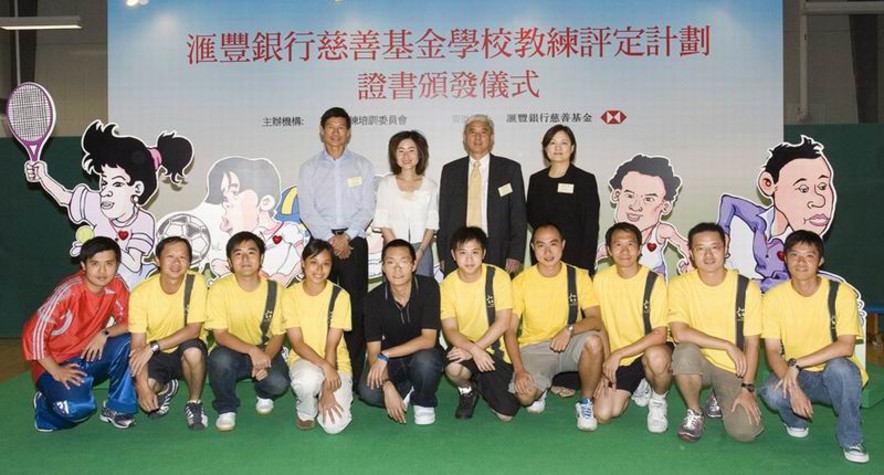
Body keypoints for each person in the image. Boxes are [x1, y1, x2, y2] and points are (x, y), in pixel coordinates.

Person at [24, 120, 193, 289]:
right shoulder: (96, 203)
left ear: (137, 188)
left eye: (117, 184)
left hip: (130, 288)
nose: (106, 191)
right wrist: (42, 177)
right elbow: (64, 198)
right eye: (104, 183)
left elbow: (134, 263)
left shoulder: (143, 220)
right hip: (99, 288)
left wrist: (96, 245)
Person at [759, 230, 869, 464]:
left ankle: (851, 439)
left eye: (809, 256)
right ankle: (796, 421)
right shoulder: (773, 299)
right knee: (771, 392)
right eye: (795, 255)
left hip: (835, 375)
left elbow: (846, 346)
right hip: (799, 376)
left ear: (820, 261)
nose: (801, 262)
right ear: (785, 259)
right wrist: (795, 388)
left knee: (841, 368)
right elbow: (771, 351)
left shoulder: (840, 293)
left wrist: (797, 363)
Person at [23, 237, 137, 431]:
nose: (102, 271)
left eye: (109, 264)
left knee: (128, 341)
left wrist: (105, 332)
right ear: (83, 265)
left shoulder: (116, 284)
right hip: (54, 364)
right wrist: (56, 370)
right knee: (77, 410)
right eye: (95, 264)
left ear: (116, 265)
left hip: (88, 356)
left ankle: (117, 408)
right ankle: (45, 408)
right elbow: (32, 333)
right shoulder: (68, 291)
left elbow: (132, 321)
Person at [298, 107, 375, 384]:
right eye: (330, 127)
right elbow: (307, 210)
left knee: (354, 310)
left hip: (354, 244)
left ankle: (350, 376)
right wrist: (331, 240)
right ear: (321, 130)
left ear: (349, 132)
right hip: (321, 245)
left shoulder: (363, 166)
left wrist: (347, 236)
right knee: (321, 307)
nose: (335, 132)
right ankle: (318, 371)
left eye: (341, 127)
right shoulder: (309, 168)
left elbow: (368, 207)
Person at [669, 223, 763, 442]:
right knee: (683, 353)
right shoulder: (680, 285)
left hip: (733, 368)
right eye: (701, 249)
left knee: (744, 433)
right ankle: (695, 411)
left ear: (725, 248)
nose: (709, 255)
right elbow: (680, 333)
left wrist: (747, 388)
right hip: (699, 360)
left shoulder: (746, 288)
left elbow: (751, 344)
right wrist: (727, 345)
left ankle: (718, 396)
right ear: (691, 253)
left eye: (715, 247)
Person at [506, 224, 606, 431]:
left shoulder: (578, 276)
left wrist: (569, 329)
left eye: (553, 244)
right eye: (541, 245)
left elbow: (596, 320)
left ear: (563, 245)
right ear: (532, 248)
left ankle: (586, 402)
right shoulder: (521, 282)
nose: (548, 252)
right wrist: (520, 370)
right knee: (525, 398)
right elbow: (509, 330)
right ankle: (539, 390)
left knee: (594, 342)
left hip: (569, 343)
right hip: (534, 348)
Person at [718, 136, 837, 292]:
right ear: (768, 184)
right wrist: (723, 233)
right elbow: (729, 202)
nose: (819, 200)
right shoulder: (759, 219)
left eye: (822, 186)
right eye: (803, 189)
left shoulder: (797, 245)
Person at [591, 222, 672, 433]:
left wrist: (619, 354)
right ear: (609, 250)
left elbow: (660, 334)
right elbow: (599, 327)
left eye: (630, 244)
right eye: (618, 245)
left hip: (647, 349)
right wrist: (605, 366)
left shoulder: (654, 281)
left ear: (639, 249)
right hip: (618, 359)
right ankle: (640, 383)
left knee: (657, 358)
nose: (624, 251)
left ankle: (658, 399)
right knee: (604, 414)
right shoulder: (599, 280)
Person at [205, 231, 289, 432]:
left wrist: (265, 358)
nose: (245, 259)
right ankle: (226, 407)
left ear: (261, 258)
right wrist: (252, 351)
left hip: (264, 347)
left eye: (251, 253)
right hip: (231, 348)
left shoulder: (275, 290)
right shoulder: (219, 289)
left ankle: (264, 393)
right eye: (238, 254)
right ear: (229, 261)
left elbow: (279, 334)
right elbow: (220, 334)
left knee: (278, 383)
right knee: (219, 361)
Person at [359, 239, 444, 425]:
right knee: (368, 391)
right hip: (393, 362)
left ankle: (423, 400)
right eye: (390, 263)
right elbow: (373, 352)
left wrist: (386, 354)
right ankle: (406, 390)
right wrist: (387, 385)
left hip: (423, 354)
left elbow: (429, 339)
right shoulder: (373, 299)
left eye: (404, 262)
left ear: (414, 265)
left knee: (426, 361)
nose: (397, 269)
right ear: (383, 267)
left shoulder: (429, 287)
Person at [128, 236, 209, 430]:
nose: (176, 263)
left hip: (185, 346)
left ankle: (194, 403)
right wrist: (142, 387)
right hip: (156, 354)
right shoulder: (140, 293)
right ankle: (166, 388)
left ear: (189, 262)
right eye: (170, 256)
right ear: (157, 260)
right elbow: (138, 344)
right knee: (144, 388)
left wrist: (153, 346)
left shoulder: (195, 282)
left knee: (193, 351)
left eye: (182, 257)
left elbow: (193, 330)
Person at [441, 226, 521, 422]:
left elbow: (503, 322)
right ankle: (467, 389)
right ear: (453, 255)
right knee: (453, 368)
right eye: (463, 253)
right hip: (465, 345)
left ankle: (481, 381)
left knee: (506, 414)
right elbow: (449, 329)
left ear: (484, 253)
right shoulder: (448, 284)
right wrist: (472, 350)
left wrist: (475, 350)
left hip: (494, 350)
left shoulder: (499, 277)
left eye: (475, 253)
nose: (469, 259)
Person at [438, 114, 527, 275]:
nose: (478, 137)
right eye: (472, 132)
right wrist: (444, 254)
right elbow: (443, 216)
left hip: (497, 249)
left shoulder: (509, 169)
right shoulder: (450, 171)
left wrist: (515, 254)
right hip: (460, 250)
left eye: (483, 132)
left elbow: (518, 215)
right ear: (465, 137)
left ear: (492, 137)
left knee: (496, 297)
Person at [284, 240, 353, 434]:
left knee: (333, 427)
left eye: (326, 264)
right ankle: (306, 410)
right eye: (313, 262)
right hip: (305, 360)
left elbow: (332, 345)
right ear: (303, 264)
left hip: (337, 362)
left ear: (332, 266)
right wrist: (324, 368)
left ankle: (324, 394)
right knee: (307, 381)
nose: (319, 269)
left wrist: (329, 390)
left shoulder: (340, 296)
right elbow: (297, 342)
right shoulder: (290, 295)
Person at [205, 156, 308, 286]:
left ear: (265, 202)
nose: (227, 204)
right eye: (225, 198)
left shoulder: (288, 230)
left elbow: (304, 257)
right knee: (217, 264)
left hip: (274, 286)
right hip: (250, 283)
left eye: (235, 193)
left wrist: (287, 277)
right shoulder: (253, 235)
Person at [597, 154, 690, 278]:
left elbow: (684, 245)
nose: (636, 207)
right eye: (630, 196)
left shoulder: (662, 231)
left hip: (654, 284)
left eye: (648, 199)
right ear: (616, 195)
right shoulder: (609, 246)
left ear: (665, 206)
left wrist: (691, 263)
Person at [526, 124, 600, 271]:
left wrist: (586, 265)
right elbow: (531, 217)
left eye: (563, 143)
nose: (557, 148)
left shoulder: (585, 180)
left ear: (572, 148)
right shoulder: (536, 180)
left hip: (575, 257)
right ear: (546, 149)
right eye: (552, 143)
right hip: (543, 256)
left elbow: (590, 227)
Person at [374, 131, 439, 277]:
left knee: (422, 293)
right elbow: (383, 222)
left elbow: (431, 224)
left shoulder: (431, 186)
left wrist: (421, 251)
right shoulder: (386, 184)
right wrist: (398, 252)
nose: (406, 156)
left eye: (411, 151)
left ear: (420, 154)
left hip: (421, 249)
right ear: (394, 155)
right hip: (393, 248)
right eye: (401, 151)